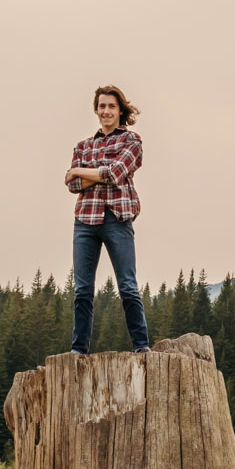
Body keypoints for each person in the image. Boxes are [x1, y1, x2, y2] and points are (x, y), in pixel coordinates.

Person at [64, 84, 150, 354]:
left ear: (120, 110)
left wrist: (79, 169)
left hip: (117, 219)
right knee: (82, 290)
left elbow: (114, 173)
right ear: (96, 110)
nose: (106, 111)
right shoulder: (83, 145)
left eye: (111, 106)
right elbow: (73, 186)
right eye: (102, 106)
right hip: (85, 221)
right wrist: (92, 175)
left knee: (127, 285)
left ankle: (141, 346)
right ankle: (79, 350)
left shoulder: (131, 141)